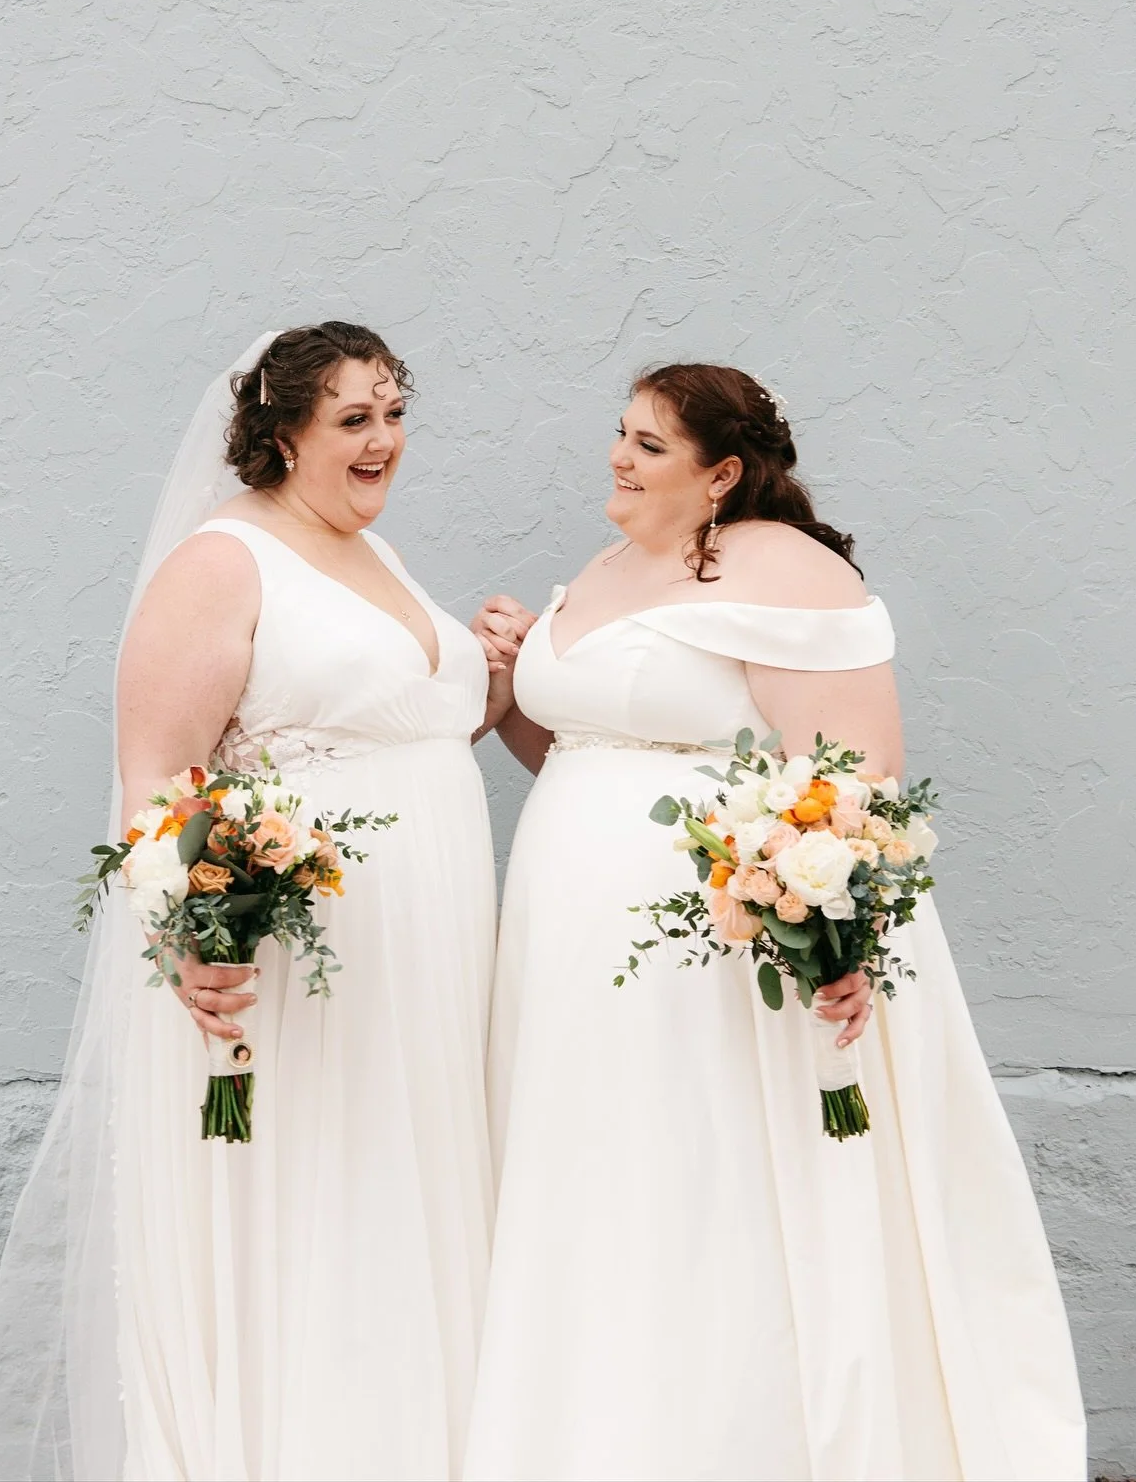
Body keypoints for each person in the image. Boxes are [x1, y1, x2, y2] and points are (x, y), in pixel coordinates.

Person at [465, 362, 1085, 1482]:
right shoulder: (605, 569)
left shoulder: (789, 571)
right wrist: (509, 686)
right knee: (594, 1179)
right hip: (561, 948)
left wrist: (832, 931)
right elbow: (570, 755)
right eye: (622, 433)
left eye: (650, 445)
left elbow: (858, 778)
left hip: (709, 947)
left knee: (702, 1176)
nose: (618, 456)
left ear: (723, 474)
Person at [0, 323, 508, 1482]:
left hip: (429, 962)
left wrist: (493, 677)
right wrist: (191, 939)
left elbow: (399, 730)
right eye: (353, 418)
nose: (384, 440)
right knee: (317, 1211)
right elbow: (159, 778)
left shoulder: (376, 554)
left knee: (407, 1207)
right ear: (281, 432)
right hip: (301, 973)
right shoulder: (225, 561)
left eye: (395, 411)